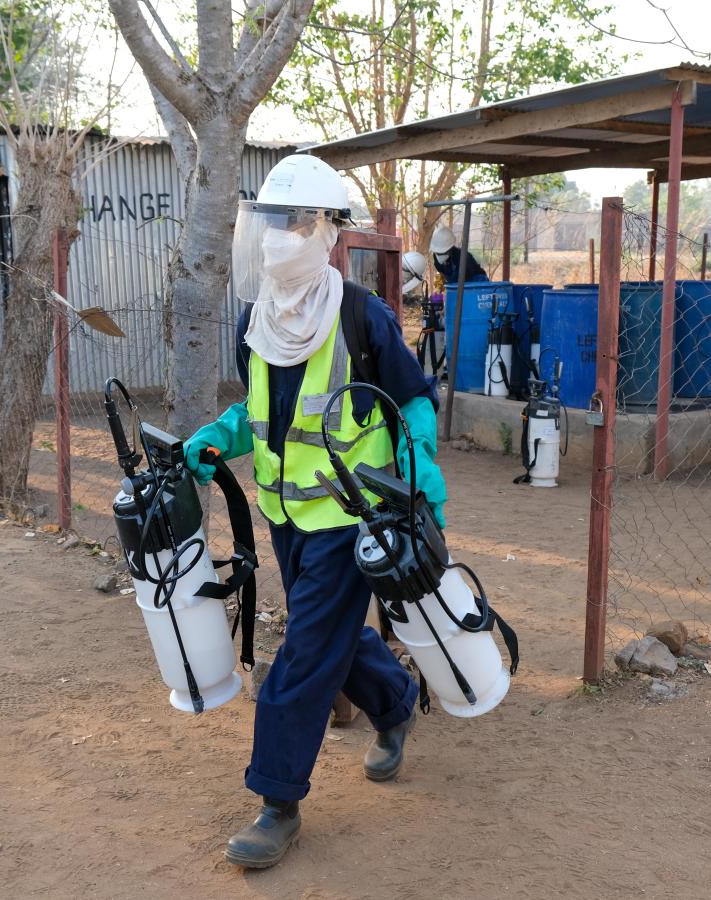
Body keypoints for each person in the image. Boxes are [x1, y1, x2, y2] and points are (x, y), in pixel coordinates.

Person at [182, 154, 448, 870]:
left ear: (330, 233)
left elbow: (413, 402)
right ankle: (393, 708)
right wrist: (220, 435)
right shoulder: (257, 317)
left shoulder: (362, 316)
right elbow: (262, 412)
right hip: (285, 518)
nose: (281, 236)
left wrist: (423, 475)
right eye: (273, 221)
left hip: (349, 517)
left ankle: (277, 801)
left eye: (299, 222)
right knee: (323, 633)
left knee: (301, 655)